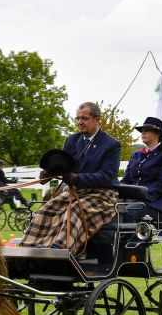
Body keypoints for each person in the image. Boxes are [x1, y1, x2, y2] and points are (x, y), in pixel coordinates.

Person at [20, 102, 121, 253]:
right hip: (75, 192)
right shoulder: (72, 140)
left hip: (102, 195)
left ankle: (60, 249)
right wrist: (48, 173)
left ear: (97, 119)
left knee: (73, 211)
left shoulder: (111, 144)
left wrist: (77, 178)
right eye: (77, 118)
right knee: (45, 209)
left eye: (84, 118)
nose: (80, 122)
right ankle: (28, 248)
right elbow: (62, 164)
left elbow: (106, 176)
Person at [120, 116, 162, 223]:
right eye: (142, 131)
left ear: (158, 134)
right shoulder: (136, 155)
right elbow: (126, 181)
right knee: (108, 210)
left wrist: (139, 196)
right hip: (132, 201)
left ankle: (129, 236)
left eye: (147, 130)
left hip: (156, 203)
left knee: (127, 214)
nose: (143, 133)